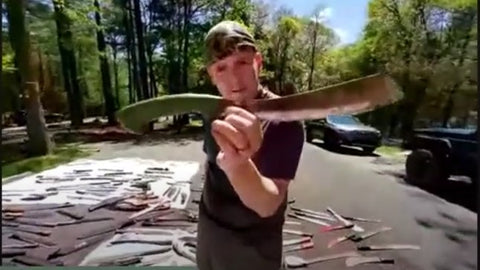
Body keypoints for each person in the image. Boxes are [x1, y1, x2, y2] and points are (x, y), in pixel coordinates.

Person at [196, 20, 305, 270]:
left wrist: (239, 165)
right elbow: (211, 167)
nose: (234, 79)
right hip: (210, 235)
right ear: (212, 76)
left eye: (242, 62)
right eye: (221, 68)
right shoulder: (214, 111)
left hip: (252, 250)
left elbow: (267, 204)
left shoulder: (284, 121)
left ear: (258, 62)